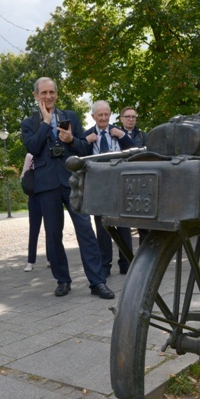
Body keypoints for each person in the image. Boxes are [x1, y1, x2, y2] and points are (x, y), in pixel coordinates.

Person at [21, 77, 114, 299]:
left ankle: (97, 282)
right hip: (46, 185)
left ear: (56, 93)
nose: (48, 96)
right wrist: (45, 123)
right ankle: (62, 280)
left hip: (72, 181)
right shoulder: (29, 122)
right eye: (43, 93)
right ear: (36, 96)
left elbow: (84, 148)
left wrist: (71, 139)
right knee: (53, 235)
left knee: (86, 231)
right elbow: (32, 147)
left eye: (52, 92)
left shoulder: (70, 116)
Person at [84, 101, 134, 277]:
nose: (104, 118)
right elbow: (79, 153)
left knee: (123, 225)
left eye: (106, 114)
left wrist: (122, 136)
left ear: (110, 115)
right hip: (98, 187)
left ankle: (126, 262)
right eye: (100, 115)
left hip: (119, 185)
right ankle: (105, 265)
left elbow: (134, 150)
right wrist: (85, 141)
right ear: (93, 117)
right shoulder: (87, 135)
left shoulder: (117, 133)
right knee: (103, 226)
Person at [118, 106, 150, 245]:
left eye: (133, 117)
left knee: (144, 224)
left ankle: (144, 253)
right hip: (123, 181)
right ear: (121, 119)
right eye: (128, 117)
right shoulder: (115, 134)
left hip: (141, 181)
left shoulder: (143, 136)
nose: (131, 119)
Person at [21, 152, 50, 272]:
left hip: (48, 196)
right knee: (34, 230)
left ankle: (51, 258)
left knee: (51, 229)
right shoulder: (30, 156)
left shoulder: (49, 153)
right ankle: (30, 261)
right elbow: (23, 175)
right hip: (34, 197)